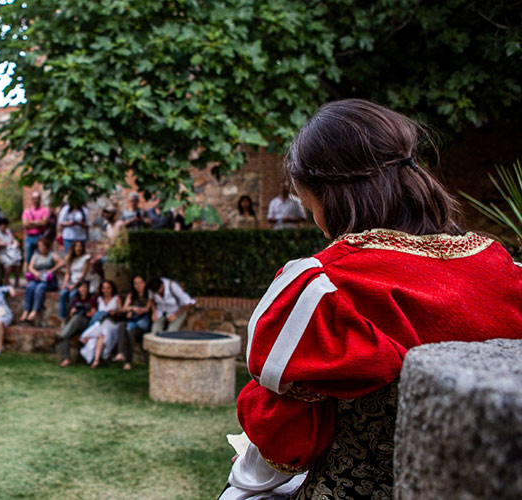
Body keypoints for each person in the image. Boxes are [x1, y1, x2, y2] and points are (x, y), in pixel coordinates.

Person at [220, 99, 522, 500]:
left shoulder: (324, 287)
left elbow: (284, 439)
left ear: (324, 195)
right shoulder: (502, 268)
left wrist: (241, 475)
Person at [78, 280, 122, 368]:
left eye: (108, 288)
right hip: (100, 323)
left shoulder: (116, 298)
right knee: (99, 336)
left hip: (111, 323)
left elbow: (121, 312)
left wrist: (115, 312)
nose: (105, 290)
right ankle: (96, 360)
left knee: (103, 333)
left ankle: (88, 339)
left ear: (112, 289)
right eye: (103, 288)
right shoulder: (99, 299)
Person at [114, 276, 154, 370]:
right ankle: (120, 353)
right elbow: (124, 309)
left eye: (140, 283)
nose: (138, 285)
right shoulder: (131, 295)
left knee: (130, 332)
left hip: (143, 324)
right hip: (131, 321)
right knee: (121, 325)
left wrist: (135, 310)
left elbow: (147, 309)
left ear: (144, 283)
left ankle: (128, 362)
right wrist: (132, 309)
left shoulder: (150, 295)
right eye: (135, 283)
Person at [19, 238, 64, 322]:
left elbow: (61, 263)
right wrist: (35, 273)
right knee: (30, 287)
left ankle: (35, 310)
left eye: (43, 246)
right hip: (37, 278)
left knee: (40, 288)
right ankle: (26, 310)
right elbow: (30, 267)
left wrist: (52, 270)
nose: (42, 248)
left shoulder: (52, 255)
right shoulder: (35, 256)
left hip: (48, 281)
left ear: (47, 247)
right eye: (40, 246)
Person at [55, 281, 95, 367]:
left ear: (88, 289)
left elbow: (92, 314)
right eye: (81, 287)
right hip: (75, 323)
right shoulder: (76, 300)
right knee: (66, 336)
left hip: (86, 323)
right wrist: (73, 312)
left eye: (85, 287)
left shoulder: (92, 299)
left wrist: (83, 311)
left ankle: (62, 333)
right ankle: (66, 359)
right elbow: (71, 314)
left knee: (75, 320)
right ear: (78, 289)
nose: (83, 289)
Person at [58, 240, 91, 319]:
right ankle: (63, 317)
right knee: (63, 294)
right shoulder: (71, 259)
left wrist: (74, 285)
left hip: (81, 283)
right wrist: (64, 284)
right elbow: (67, 273)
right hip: (71, 282)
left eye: (80, 246)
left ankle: (72, 316)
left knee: (72, 295)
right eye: (76, 246)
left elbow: (83, 275)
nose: (78, 248)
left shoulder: (85, 258)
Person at [21, 190, 50, 267]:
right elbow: (24, 224)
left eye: (37, 198)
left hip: (39, 236)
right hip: (29, 237)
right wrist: (38, 223)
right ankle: (28, 276)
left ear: (40, 199)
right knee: (28, 258)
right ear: (32, 200)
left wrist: (30, 222)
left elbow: (44, 222)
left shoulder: (45, 210)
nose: (36, 200)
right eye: (34, 198)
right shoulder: (27, 211)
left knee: (41, 256)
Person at [0, 217, 22, 287]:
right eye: (2, 225)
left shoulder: (8, 231)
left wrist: (15, 242)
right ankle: (6, 281)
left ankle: (17, 282)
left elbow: (13, 240)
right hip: (2, 253)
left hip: (11, 252)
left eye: (5, 225)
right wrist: (7, 244)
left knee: (17, 262)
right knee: (9, 263)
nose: (4, 227)